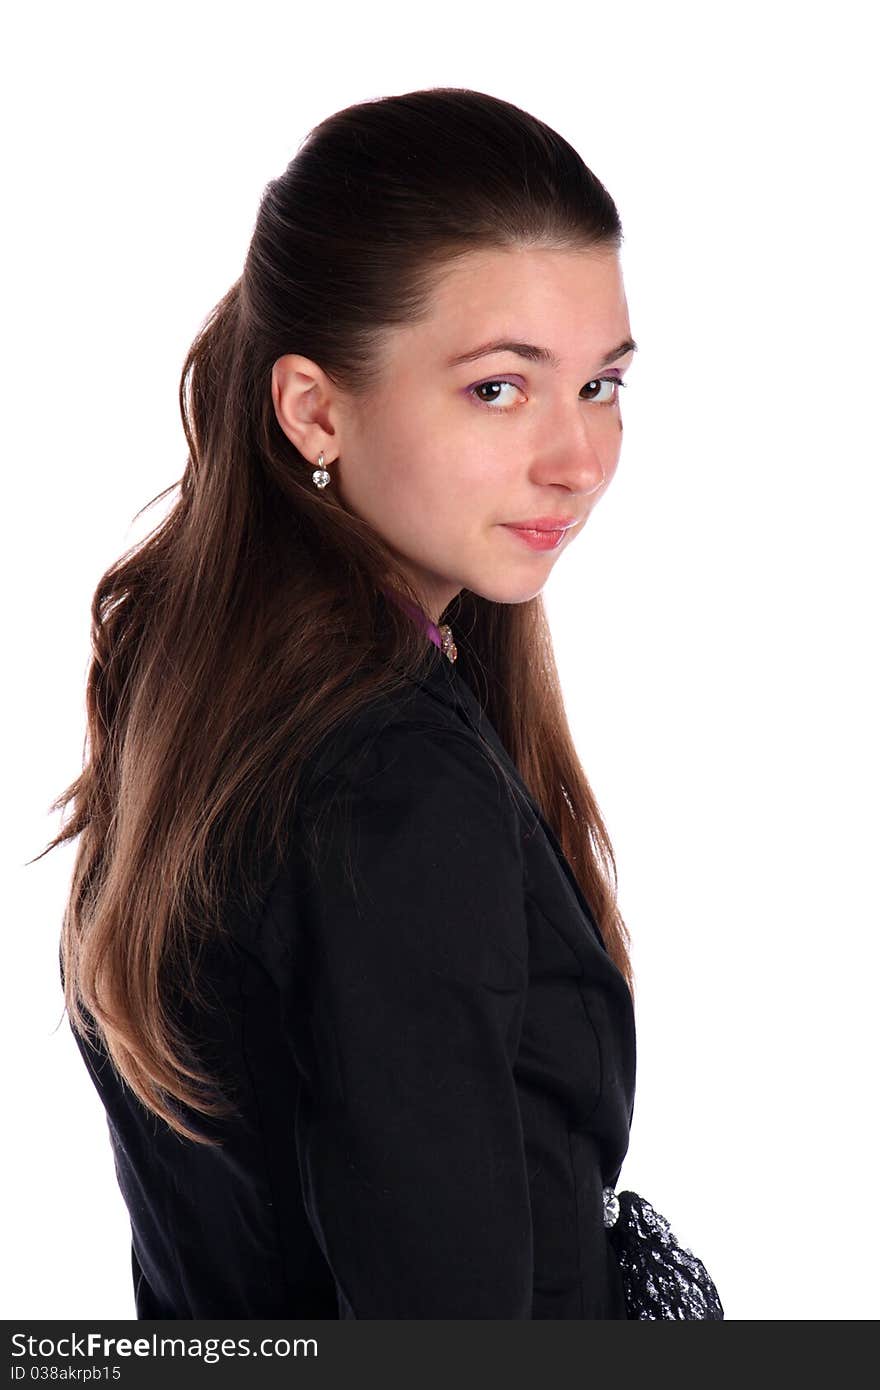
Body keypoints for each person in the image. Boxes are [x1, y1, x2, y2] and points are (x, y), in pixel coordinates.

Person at [47, 86, 640, 1319]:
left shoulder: (202, 686)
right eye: (498, 388)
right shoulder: (394, 788)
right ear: (314, 408)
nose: (575, 458)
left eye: (602, 385)